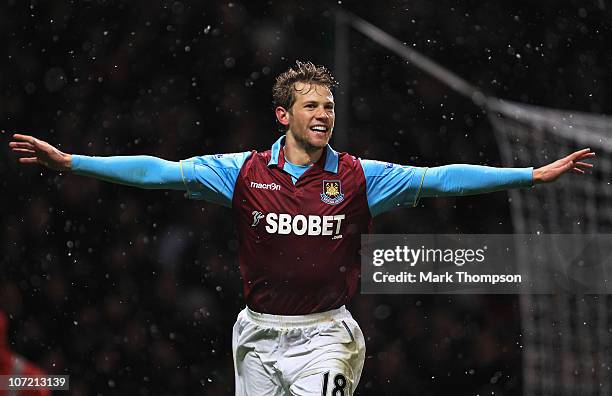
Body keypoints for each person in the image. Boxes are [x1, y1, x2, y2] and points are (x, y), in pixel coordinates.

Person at [9, 61, 594, 395]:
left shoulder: (361, 178)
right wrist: (72, 162)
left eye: (330, 108)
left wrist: (530, 175)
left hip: (326, 337)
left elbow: (440, 178)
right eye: (312, 106)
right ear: (284, 116)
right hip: (256, 337)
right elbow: (159, 173)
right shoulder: (241, 172)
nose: (323, 115)